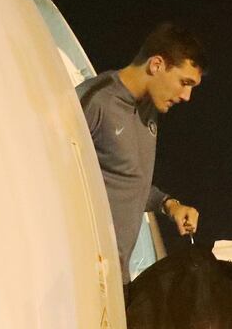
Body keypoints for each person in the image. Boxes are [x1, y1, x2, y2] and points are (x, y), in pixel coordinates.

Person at [77, 22, 205, 288]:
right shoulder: (95, 101)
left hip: (114, 284)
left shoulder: (149, 112)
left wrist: (170, 205)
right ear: (156, 64)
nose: (187, 96)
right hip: (79, 282)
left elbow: (126, 180)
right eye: (185, 82)